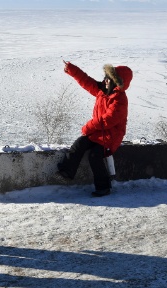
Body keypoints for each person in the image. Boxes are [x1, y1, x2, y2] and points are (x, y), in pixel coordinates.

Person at [56, 61, 133, 197]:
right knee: (80, 143)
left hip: (110, 137)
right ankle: (67, 171)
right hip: (98, 131)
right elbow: (86, 81)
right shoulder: (102, 91)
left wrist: (88, 127)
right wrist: (72, 69)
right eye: (105, 77)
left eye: (108, 78)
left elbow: (107, 120)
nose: (105, 80)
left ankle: (104, 187)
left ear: (116, 81)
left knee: (94, 156)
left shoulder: (119, 99)